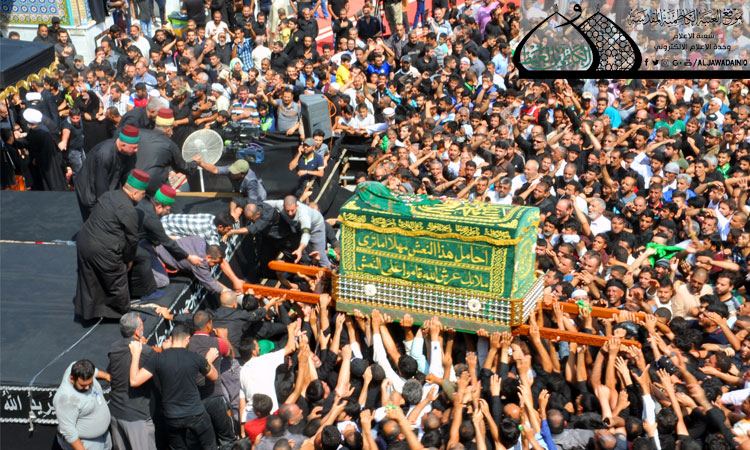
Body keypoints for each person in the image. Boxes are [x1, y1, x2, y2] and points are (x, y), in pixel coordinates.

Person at [128, 323, 219, 450]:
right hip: (195, 414)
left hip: (172, 417)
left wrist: (136, 355)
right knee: (209, 446)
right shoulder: (196, 358)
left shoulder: (158, 358)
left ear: (171, 338)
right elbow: (214, 376)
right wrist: (208, 360)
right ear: (187, 339)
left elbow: (134, 380)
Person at [74, 170, 149, 320]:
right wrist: (128, 259)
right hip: (103, 249)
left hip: (84, 242)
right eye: (143, 194)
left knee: (90, 279)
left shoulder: (109, 195)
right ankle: (126, 317)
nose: (143, 197)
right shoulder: (129, 210)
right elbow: (132, 240)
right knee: (117, 281)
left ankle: (91, 312)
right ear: (135, 193)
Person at [107, 313, 157, 450]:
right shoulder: (147, 352)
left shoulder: (114, 349)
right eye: (142, 325)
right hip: (136, 417)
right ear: (136, 332)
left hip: (116, 412)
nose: (143, 327)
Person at [75, 125, 140, 220]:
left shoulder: (127, 152)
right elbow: (101, 186)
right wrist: (107, 208)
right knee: (96, 220)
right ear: (123, 145)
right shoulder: (105, 154)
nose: (136, 150)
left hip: (108, 185)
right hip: (90, 191)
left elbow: (126, 174)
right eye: (134, 148)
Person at [134, 108, 197, 196]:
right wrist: (195, 162)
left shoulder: (140, 133)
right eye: (172, 129)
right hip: (152, 187)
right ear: (168, 130)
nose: (172, 132)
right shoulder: (169, 145)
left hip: (133, 181)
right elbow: (184, 167)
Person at [53, 360, 112, 450]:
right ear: (72, 379)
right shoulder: (65, 399)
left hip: (104, 435)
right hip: (86, 443)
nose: (87, 388)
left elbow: (92, 370)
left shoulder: (76, 367)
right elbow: (68, 431)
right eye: (83, 385)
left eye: (90, 383)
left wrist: (107, 376)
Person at [265, 195, 330, 268]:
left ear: (297, 206)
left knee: (319, 254)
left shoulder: (304, 215)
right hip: (296, 226)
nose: (290, 213)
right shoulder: (279, 204)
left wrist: (300, 249)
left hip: (315, 227)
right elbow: (262, 204)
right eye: (287, 211)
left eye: (292, 210)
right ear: (283, 206)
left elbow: (306, 234)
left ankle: (328, 271)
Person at [20, 108, 67, 191]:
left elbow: (43, 151)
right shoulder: (41, 130)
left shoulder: (39, 133)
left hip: (45, 167)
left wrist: (36, 160)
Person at [193, 157, 267, 203]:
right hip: (243, 193)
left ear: (242, 174)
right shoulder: (230, 169)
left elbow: (252, 201)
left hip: (258, 198)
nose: (231, 173)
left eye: (235, 172)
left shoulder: (250, 180)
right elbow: (215, 169)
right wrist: (200, 163)